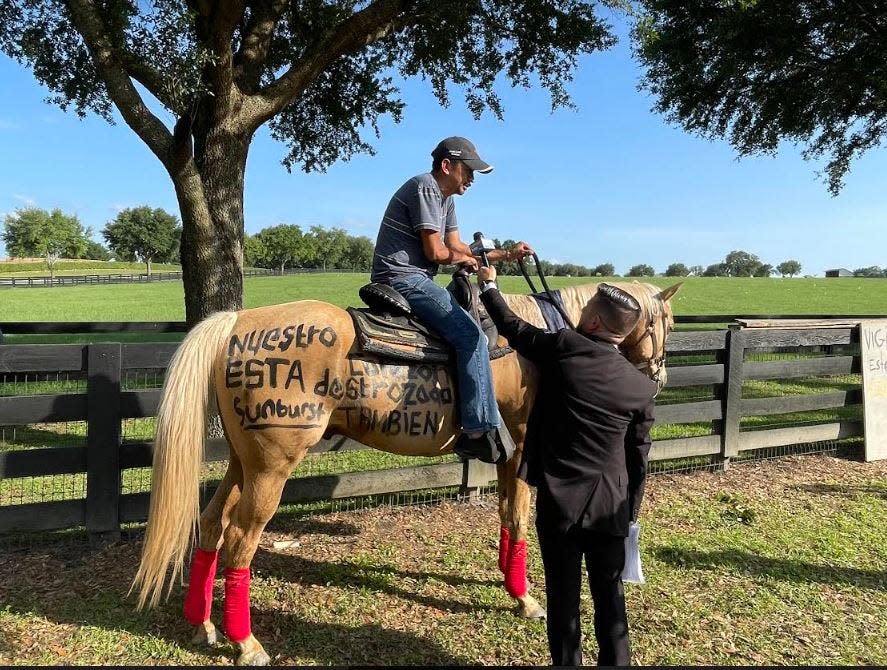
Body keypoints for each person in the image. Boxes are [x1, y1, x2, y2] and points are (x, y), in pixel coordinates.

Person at [476, 265, 656, 666]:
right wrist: (630, 515)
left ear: (592, 320)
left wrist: (489, 286)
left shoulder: (564, 347)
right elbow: (638, 457)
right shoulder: (641, 388)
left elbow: (512, 326)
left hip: (560, 506)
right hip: (611, 508)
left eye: (585, 307)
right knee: (610, 598)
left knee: (562, 599)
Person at [370, 136, 532, 461]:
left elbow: (456, 247)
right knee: (471, 336)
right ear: (447, 166)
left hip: (418, 276)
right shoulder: (426, 188)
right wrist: (462, 260)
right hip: (403, 277)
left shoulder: (446, 199)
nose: (471, 179)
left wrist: (505, 254)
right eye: (467, 170)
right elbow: (435, 252)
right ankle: (477, 429)